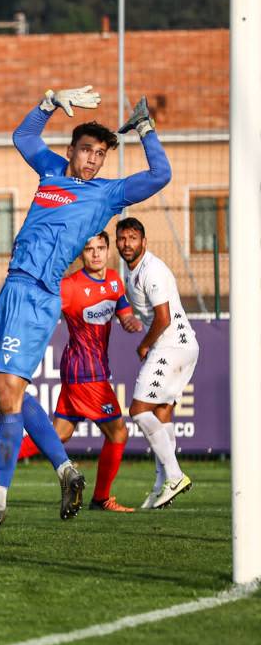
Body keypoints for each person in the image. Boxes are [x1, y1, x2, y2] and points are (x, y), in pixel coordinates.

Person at [0, 89, 172, 545]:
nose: (94, 160)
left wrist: (145, 128)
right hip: (12, 288)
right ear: (71, 150)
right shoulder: (50, 172)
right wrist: (50, 100)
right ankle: (65, 470)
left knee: (7, 395)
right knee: (11, 391)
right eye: (87, 150)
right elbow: (22, 136)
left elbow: (161, 173)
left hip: (40, 292)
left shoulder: (107, 195)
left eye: (101, 155)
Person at [0, 232, 141, 512]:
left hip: (85, 371)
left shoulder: (114, 279)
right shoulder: (69, 287)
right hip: (86, 374)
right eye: (89, 249)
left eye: (101, 248)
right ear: (80, 255)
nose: (96, 254)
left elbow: (123, 309)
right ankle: (102, 498)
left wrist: (129, 321)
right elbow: (35, 315)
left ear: (108, 250)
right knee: (118, 434)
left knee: (59, 435)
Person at [116, 217, 196, 509]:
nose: (127, 244)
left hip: (171, 345)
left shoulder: (152, 271)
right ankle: (162, 485)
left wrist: (145, 343)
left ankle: (174, 475)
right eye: (123, 239)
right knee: (162, 412)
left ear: (144, 242)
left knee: (138, 410)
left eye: (133, 238)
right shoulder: (133, 272)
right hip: (182, 346)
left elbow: (163, 318)